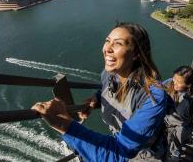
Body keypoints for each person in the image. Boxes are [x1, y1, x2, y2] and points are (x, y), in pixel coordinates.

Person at [32, 23, 167, 162]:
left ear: (136, 54)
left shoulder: (153, 97)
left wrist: (64, 125)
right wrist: (97, 99)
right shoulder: (109, 74)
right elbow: (107, 89)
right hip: (121, 139)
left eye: (118, 43)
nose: (107, 48)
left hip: (145, 155)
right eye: (108, 41)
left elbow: (118, 154)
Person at [163, 66, 193, 160]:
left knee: (176, 150)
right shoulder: (169, 83)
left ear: (188, 85)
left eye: (179, 82)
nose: (174, 82)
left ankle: (175, 156)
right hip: (167, 124)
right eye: (174, 78)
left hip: (182, 128)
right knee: (166, 145)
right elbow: (156, 88)